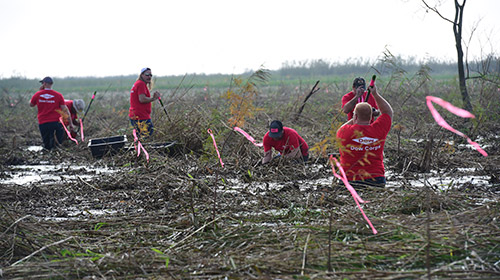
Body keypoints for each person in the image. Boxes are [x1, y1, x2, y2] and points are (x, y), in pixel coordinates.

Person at [336, 82, 393, 187]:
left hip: (350, 181)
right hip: (376, 180)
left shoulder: (344, 132)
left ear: (355, 116)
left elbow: (340, 129)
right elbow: (388, 112)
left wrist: (354, 117)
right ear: (371, 116)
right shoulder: (379, 129)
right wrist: (375, 94)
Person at [30, 77, 75, 150]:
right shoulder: (58, 95)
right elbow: (65, 110)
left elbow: (31, 104)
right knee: (58, 145)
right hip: (57, 123)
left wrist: (40, 92)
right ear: (51, 84)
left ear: (44, 84)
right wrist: (71, 124)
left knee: (47, 145)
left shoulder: (37, 94)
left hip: (43, 123)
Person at [129, 67, 161, 138]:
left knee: (140, 137)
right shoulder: (141, 84)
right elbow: (142, 99)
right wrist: (154, 98)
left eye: (150, 75)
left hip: (135, 116)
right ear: (141, 75)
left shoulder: (138, 84)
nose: (149, 77)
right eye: (147, 75)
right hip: (141, 117)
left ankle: (138, 148)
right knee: (147, 136)